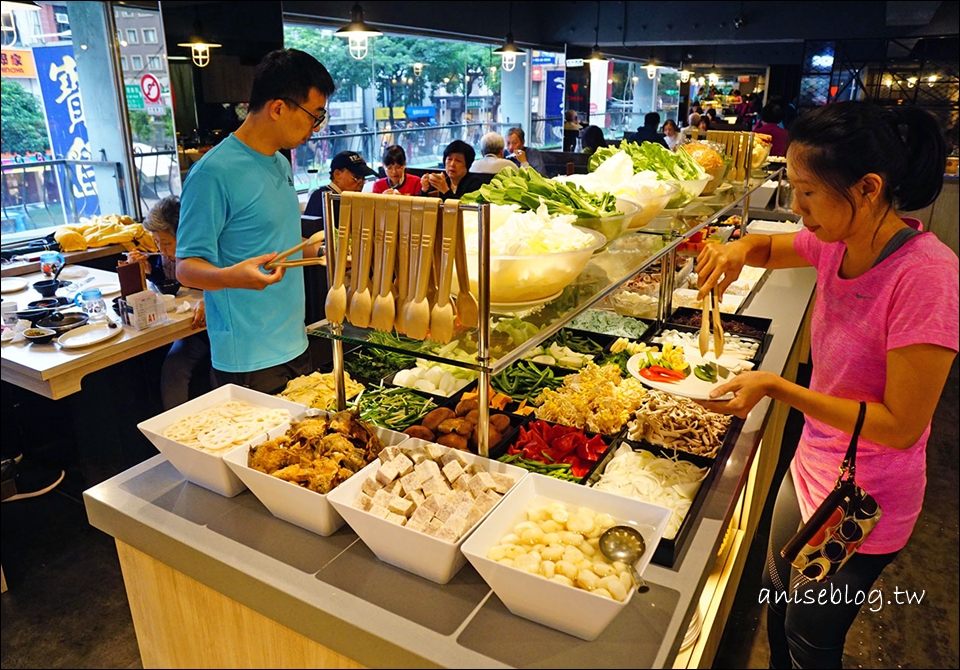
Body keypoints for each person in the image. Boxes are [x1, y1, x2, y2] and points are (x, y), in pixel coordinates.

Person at [694, 101, 958, 669]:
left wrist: (780, 388)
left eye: (808, 193)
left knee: (812, 637)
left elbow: (901, 423)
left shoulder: (926, 275)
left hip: (865, 495)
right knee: (776, 595)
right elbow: (768, 247)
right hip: (813, 463)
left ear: (866, 188)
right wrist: (737, 249)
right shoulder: (838, 241)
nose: (797, 208)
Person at [176, 48, 336, 394]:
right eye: (314, 115)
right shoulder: (212, 173)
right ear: (278, 108)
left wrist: (317, 250)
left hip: (295, 339)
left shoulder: (279, 163)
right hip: (250, 358)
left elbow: (273, 245)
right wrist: (229, 277)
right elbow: (186, 267)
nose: (315, 127)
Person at [127, 196, 212, 410]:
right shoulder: (163, 257)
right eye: (156, 242)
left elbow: (224, 285)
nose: (161, 249)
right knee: (169, 366)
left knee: (182, 367)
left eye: (165, 243)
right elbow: (172, 287)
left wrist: (210, 300)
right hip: (188, 327)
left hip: (215, 329)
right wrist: (148, 271)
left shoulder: (204, 253)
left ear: (185, 236)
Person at [304, 150, 377, 217]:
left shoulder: (347, 198)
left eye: (363, 178)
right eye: (356, 177)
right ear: (337, 175)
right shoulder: (326, 199)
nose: (361, 183)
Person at [420, 139, 487, 200]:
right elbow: (420, 207)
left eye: (458, 160)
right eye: (449, 159)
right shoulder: (442, 181)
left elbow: (464, 208)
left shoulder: (475, 184)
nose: (452, 164)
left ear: (467, 164)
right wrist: (424, 190)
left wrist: (445, 190)